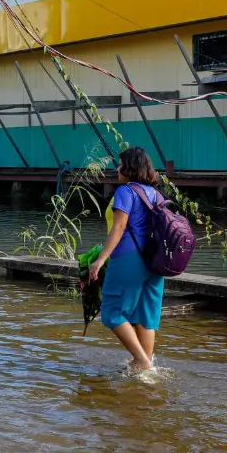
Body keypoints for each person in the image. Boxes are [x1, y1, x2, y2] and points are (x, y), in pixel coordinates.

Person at [88, 147, 166, 372]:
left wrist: (101, 259)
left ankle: (140, 360)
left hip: (130, 258)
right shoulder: (156, 194)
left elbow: (119, 228)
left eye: (120, 164)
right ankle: (145, 367)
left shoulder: (125, 192)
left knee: (112, 313)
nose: (117, 168)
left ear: (130, 167)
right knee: (146, 316)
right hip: (155, 261)